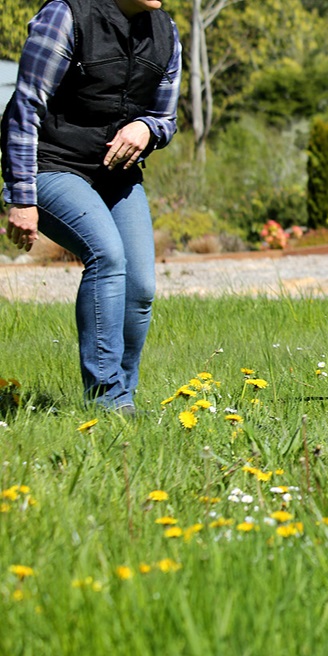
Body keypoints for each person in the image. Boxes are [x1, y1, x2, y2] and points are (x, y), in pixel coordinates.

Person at [2, 0, 181, 414]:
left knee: (140, 287)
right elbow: (25, 108)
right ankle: (108, 401)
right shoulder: (66, 16)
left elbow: (165, 117)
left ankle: (125, 397)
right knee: (105, 254)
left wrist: (146, 127)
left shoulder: (166, 32)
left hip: (115, 174)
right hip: (52, 164)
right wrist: (22, 196)